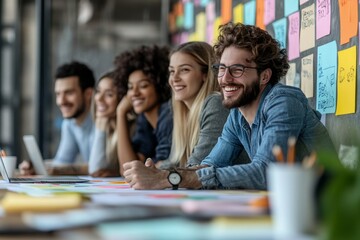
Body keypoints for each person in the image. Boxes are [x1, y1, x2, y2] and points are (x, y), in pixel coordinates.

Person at [124, 22, 338, 190]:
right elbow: (209, 165)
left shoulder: (284, 102)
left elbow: (266, 172)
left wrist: (171, 178)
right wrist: (162, 176)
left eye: (237, 70)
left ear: (264, 76)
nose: (225, 79)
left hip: (329, 211)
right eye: (221, 68)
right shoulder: (237, 116)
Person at [122, 41, 236, 189]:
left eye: (184, 70)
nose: (174, 78)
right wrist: (151, 171)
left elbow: (195, 171)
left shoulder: (215, 103)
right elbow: (175, 163)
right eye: (171, 71)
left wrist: (155, 173)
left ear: (205, 74)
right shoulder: (182, 112)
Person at [20, 61, 95, 175]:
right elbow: (62, 161)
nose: (61, 101)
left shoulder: (103, 120)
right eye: (58, 94)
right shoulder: (69, 124)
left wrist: (61, 170)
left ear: (88, 94)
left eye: (69, 93)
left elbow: (102, 166)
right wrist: (38, 166)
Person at [114, 45, 173, 176]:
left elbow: (162, 170)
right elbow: (127, 170)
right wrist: (120, 112)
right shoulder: (144, 120)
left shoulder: (168, 114)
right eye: (130, 87)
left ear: (160, 85)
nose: (134, 93)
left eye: (143, 86)